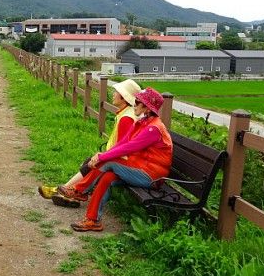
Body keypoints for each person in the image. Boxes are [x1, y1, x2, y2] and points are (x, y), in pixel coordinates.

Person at [57, 87, 173, 232]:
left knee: (109, 162)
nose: (134, 104)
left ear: (148, 108)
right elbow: (122, 142)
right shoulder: (141, 123)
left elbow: (129, 147)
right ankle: (93, 220)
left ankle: (79, 190)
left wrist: (102, 157)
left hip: (151, 176)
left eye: (138, 102)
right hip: (139, 169)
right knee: (108, 177)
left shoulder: (153, 128)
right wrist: (101, 156)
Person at [37, 79, 141, 204]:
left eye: (116, 92)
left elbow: (123, 147)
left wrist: (103, 156)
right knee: (89, 162)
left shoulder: (126, 118)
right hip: (118, 157)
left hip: (122, 161)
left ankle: (66, 192)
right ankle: (67, 191)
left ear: (124, 97)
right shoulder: (126, 114)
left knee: (92, 164)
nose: (113, 94)